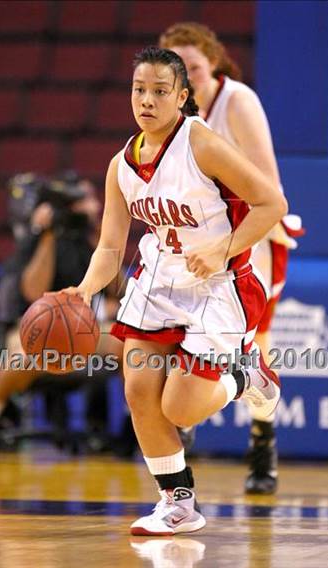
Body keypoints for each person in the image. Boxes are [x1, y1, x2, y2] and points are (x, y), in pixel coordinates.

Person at [59, 46, 287, 536]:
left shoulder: (201, 143)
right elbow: (110, 248)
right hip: (158, 280)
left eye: (160, 91)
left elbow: (271, 203)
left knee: (180, 407)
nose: (146, 99)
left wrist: (225, 247)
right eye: (139, 89)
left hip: (218, 284)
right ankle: (178, 504)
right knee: (140, 389)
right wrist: (84, 290)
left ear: (182, 97)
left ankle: (249, 379)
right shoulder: (121, 164)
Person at [160, 22, 304, 494]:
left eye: (197, 68)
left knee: (250, 348)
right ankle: (181, 432)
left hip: (250, 236)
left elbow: (270, 186)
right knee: (173, 335)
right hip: (192, 244)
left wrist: (227, 246)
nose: (191, 78)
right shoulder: (165, 109)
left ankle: (263, 441)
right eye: (182, 70)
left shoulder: (237, 102)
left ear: (214, 63)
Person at [0, 172, 122, 454]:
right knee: (23, 356)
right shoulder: (34, 240)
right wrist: (47, 234)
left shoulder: (87, 244)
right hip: (30, 325)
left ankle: (134, 424)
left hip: (81, 328)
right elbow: (33, 292)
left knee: (128, 344)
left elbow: (121, 292)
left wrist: (102, 239)